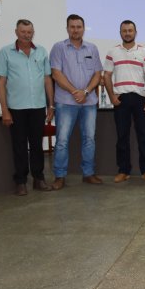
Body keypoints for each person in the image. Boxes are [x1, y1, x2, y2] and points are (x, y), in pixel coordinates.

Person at [0, 19, 55, 196]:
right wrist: (4, 109)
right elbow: (1, 82)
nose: (26, 35)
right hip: (16, 108)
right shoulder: (6, 52)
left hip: (38, 107)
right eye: (23, 32)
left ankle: (38, 179)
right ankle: (20, 181)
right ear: (16, 32)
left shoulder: (41, 51)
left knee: (37, 145)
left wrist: (51, 105)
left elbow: (47, 80)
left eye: (29, 32)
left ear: (33, 33)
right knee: (19, 145)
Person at [49, 14, 103, 190]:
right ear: (67, 29)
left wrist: (85, 92)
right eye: (72, 27)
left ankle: (88, 173)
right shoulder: (59, 48)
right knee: (62, 140)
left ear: (83, 29)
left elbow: (97, 74)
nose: (75, 30)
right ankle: (60, 176)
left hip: (89, 102)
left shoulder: (92, 48)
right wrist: (75, 91)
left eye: (78, 27)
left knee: (89, 139)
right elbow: (56, 74)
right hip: (66, 102)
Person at [103, 20, 145, 183]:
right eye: (124, 31)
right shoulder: (113, 52)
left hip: (140, 98)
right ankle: (123, 170)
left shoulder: (144, 51)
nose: (127, 33)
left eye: (130, 30)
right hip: (121, 99)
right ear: (120, 33)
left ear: (135, 32)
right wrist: (112, 96)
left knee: (143, 136)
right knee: (122, 136)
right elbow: (107, 76)